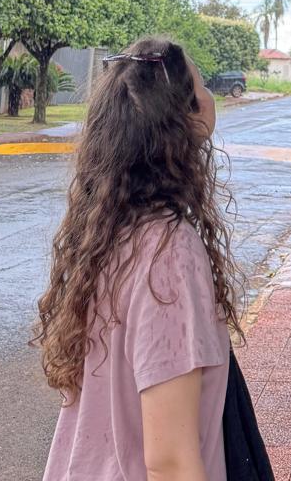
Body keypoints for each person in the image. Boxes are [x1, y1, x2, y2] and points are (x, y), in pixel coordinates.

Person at [35, 37, 239, 481]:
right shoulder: (169, 253)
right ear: (188, 115)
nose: (209, 93)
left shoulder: (105, 234)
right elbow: (170, 462)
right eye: (201, 83)